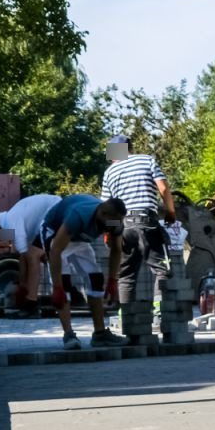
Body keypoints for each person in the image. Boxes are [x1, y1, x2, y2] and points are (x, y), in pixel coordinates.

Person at [41, 194, 130, 350]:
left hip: (79, 239)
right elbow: (55, 251)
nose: (110, 228)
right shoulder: (78, 215)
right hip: (56, 236)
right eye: (108, 224)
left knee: (95, 280)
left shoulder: (112, 220)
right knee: (64, 284)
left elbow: (116, 249)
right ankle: (69, 335)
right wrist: (56, 287)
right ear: (101, 214)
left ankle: (100, 334)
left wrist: (112, 280)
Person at [100, 135, 177, 308]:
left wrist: (110, 232)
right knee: (163, 269)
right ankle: (160, 312)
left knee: (126, 274)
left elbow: (106, 210)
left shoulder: (109, 172)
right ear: (130, 149)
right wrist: (171, 212)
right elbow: (163, 188)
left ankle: (127, 316)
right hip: (145, 221)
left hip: (122, 227)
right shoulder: (146, 160)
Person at [0, 194, 61, 316]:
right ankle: (70, 291)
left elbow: (26, 257)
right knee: (39, 256)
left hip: (56, 210)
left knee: (33, 256)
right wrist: (21, 283)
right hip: (50, 213)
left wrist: (22, 287)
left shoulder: (13, 224)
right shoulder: (11, 222)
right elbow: (22, 258)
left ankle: (31, 305)